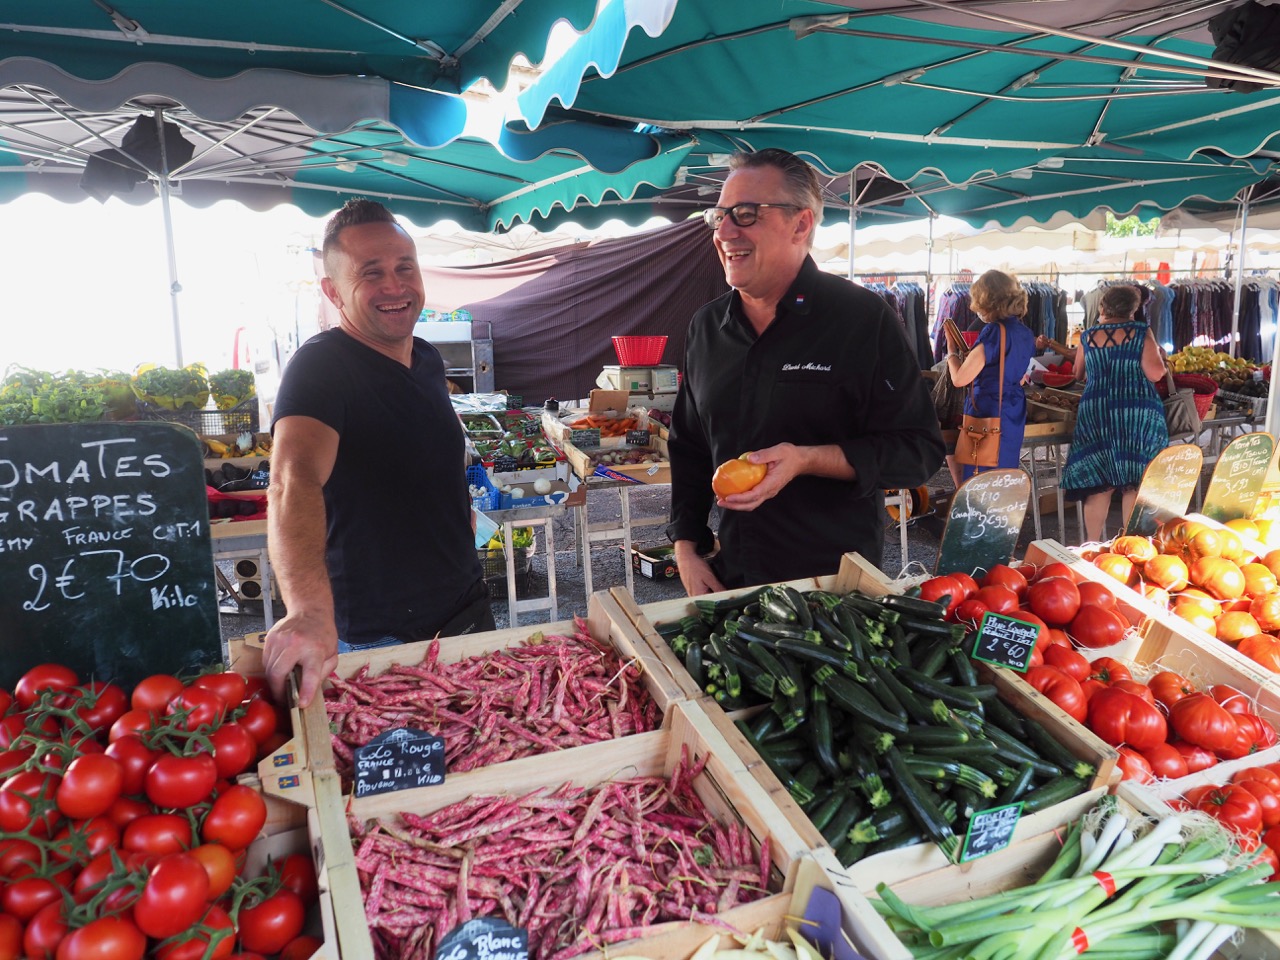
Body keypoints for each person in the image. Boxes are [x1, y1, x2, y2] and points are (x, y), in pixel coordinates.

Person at [666, 148, 945, 594]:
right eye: (719, 215)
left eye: (745, 213)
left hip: (834, 590)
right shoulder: (706, 327)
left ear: (801, 224)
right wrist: (686, 546)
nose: (725, 231)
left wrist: (808, 459)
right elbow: (690, 446)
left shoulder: (862, 319)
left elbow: (918, 452)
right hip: (731, 579)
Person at [263, 199, 492, 706]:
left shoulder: (427, 359)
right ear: (333, 290)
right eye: (372, 274)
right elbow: (291, 482)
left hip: (465, 610)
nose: (394, 286)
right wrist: (307, 610)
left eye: (404, 267)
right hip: (378, 637)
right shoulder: (321, 368)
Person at [1061, 284, 1169, 542]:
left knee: (1099, 483)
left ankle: (1092, 545)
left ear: (1103, 306)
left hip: (1097, 412)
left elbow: (1078, 374)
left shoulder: (1088, 335)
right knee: (1135, 480)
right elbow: (1155, 373)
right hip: (1135, 412)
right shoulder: (1141, 332)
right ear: (1133, 308)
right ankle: (1130, 546)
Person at [944, 269, 1037, 484]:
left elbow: (959, 379)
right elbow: (1020, 375)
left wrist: (951, 352)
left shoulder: (994, 331)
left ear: (986, 300)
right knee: (1003, 473)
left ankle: (976, 517)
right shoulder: (1024, 332)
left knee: (980, 476)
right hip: (1013, 407)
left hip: (989, 408)